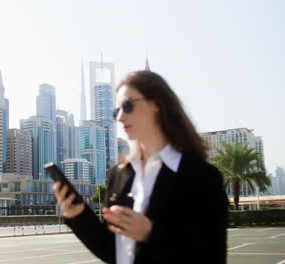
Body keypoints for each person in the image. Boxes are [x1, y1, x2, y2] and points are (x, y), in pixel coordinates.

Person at [53, 71, 228, 264]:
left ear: (157, 104)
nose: (119, 117)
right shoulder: (118, 174)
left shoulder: (201, 176)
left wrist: (151, 234)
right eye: (116, 111)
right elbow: (113, 251)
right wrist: (78, 215)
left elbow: (211, 255)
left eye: (127, 106)